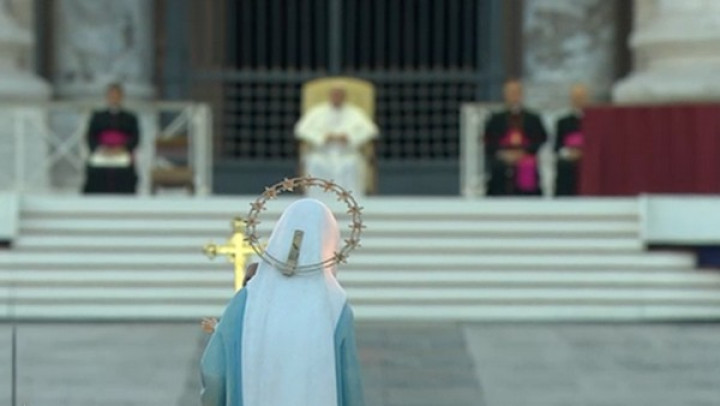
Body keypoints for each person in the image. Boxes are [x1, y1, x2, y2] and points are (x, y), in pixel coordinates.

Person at [200, 199, 365, 406]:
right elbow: (350, 384)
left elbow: (214, 373)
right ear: (329, 246)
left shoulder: (247, 300)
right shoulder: (336, 306)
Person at [295, 85, 378, 197]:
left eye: (339, 96)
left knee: (352, 164)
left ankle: (351, 200)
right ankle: (317, 200)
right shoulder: (316, 112)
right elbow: (301, 130)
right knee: (315, 162)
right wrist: (322, 137)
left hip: (347, 153)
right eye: (334, 95)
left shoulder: (355, 112)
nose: (336, 98)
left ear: (344, 97)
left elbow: (371, 130)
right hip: (322, 153)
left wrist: (349, 137)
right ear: (330, 96)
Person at [483, 79, 548, 196]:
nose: (514, 96)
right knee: (498, 169)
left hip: (526, 156)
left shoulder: (533, 118)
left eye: (516, 92)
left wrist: (524, 152)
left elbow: (541, 138)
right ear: (505, 95)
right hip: (503, 157)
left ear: (521, 94)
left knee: (528, 167)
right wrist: (503, 153)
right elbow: (488, 140)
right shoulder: (496, 119)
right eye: (510, 93)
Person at [82, 83, 140, 194]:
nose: (114, 98)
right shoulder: (97, 116)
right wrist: (101, 149)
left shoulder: (130, 117)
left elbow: (135, 137)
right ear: (107, 97)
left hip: (121, 152)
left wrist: (122, 148)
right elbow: (90, 136)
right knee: (94, 171)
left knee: (125, 172)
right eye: (111, 95)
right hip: (102, 152)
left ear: (121, 97)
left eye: (116, 95)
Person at [554, 84, 588, 196]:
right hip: (568, 161)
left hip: (587, 160)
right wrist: (568, 153)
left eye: (581, 97)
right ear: (571, 99)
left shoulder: (594, 121)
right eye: (576, 97)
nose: (578, 100)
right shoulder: (562, 122)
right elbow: (557, 146)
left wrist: (583, 153)